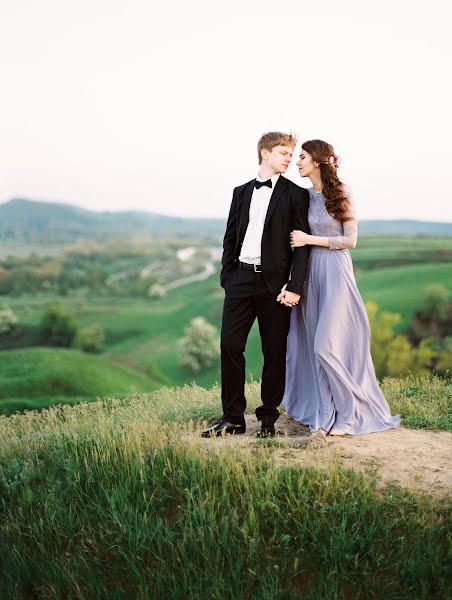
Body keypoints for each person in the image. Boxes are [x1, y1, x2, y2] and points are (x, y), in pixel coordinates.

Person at [281, 139, 400, 436]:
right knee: (312, 346)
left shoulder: (342, 192)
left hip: (336, 271)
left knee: (326, 345)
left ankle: (348, 416)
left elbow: (350, 240)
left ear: (319, 161)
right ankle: (325, 413)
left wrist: (311, 240)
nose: (298, 162)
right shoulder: (306, 197)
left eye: (303, 157)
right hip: (311, 275)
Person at [202, 132, 310, 438]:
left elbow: (302, 246)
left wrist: (295, 286)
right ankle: (233, 418)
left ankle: (267, 420)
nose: (289, 158)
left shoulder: (295, 194)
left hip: (275, 286)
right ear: (265, 153)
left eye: (291, 153)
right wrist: (227, 275)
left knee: (274, 351)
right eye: (283, 152)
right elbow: (230, 235)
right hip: (240, 280)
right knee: (230, 346)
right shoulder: (240, 192)